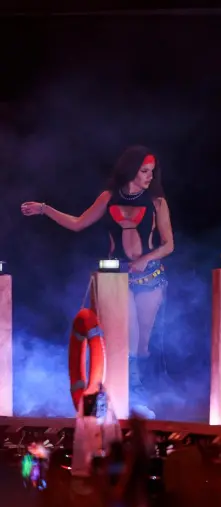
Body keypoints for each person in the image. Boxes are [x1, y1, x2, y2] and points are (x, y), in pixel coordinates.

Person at [21, 145, 174, 418]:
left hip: (150, 278)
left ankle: (137, 395)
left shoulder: (157, 202)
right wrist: (45, 209)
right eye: (144, 171)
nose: (150, 176)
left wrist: (145, 259)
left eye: (152, 172)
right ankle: (132, 398)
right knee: (127, 337)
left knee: (142, 346)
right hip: (118, 280)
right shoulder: (108, 197)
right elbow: (78, 223)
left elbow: (169, 245)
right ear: (131, 169)